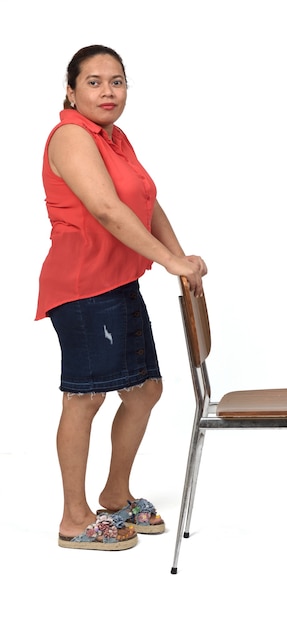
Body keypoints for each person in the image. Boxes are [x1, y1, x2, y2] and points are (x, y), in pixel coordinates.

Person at [35, 44, 207, 550]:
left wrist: (180, 259)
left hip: (117, 281)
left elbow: (144, 202)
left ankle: (115, 493)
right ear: (71, 90)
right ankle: (73, 519)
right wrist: (171, 262)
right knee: (85, 397)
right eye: (94, 82)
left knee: (144, 390)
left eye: (117, 81)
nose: (108, 91)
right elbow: (108, 210)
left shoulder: (113, 138)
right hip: (83, 286)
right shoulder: (71, 136)